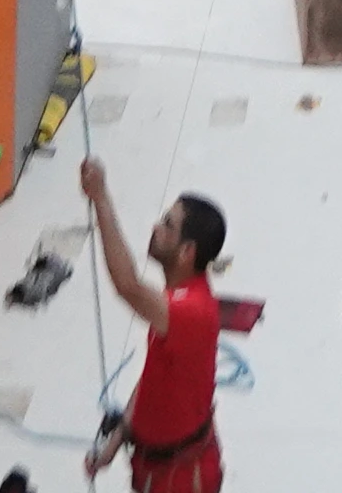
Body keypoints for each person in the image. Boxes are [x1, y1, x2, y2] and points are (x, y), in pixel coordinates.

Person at [77, 153, 253, 493]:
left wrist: (100, 198)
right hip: (157, 469)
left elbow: (127, 285)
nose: (155, 228)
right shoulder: (178, 300)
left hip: (181, 480)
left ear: (187, 252)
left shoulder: (190, 310)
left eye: (167, 225)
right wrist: (116, 441)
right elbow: (155, 379)